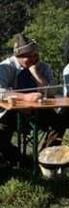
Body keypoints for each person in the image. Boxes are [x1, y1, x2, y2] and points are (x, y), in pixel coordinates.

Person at [0, 34, 62, 165]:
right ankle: (18, 159)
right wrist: (25, 97)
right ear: (19, 56)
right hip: (11, 111)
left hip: (38, 110)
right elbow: (0, 91)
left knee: (59, 123)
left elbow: (52, 91)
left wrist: (36, 73)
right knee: (1, 135)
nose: (34, 58)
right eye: (29, 56)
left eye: (35, 55)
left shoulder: (43, 67)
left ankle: (45, 158)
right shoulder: (6, 67)